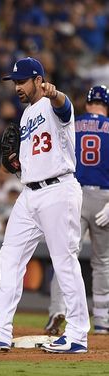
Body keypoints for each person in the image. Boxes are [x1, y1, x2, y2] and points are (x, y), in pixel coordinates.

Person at [0, 57, 90, 353]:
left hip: (58, 189)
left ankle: (78, 334)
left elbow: (65, 106)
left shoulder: (51, 104)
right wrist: (16, 165)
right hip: (30, 193)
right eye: (15, 82)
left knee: (64, 261)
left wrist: (53, 93)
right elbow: (30, 164)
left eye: (22, 81)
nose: (17, 86)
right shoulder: (26, 114)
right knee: (10, 255)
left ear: (38, 80)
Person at [44, 85, 109, 336]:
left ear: (87, 102)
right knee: (103, 262)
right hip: (104, 197)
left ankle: (57, 309)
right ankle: (102, 318)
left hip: (74, 194)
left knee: (65, 256)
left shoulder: (72, 122)